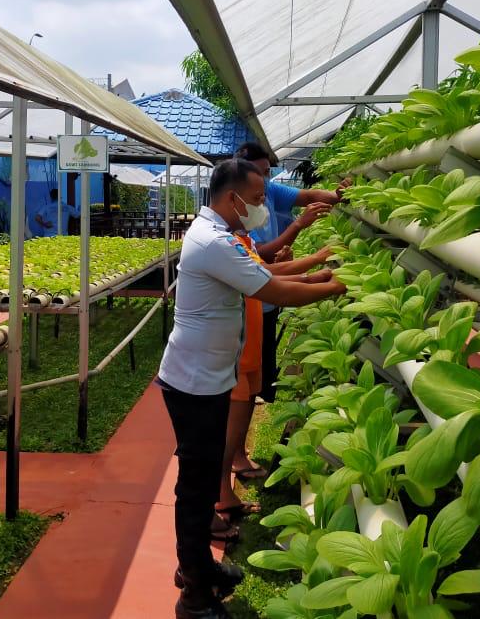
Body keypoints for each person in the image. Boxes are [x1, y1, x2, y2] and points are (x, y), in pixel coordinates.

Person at [158, 158, 345, 619]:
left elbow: (264, 277)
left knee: (200, 482)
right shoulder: (214, 241)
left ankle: (197, 567)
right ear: (231, 199)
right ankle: (195, 596)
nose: (262, 208)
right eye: (258, 200)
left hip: (206, 376)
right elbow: (271, 292)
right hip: (195, 382)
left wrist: (316, 277)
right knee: (197, 486)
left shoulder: (221, 236)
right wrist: (336, 287)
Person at [217, 234, 332, 523]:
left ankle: (234, 466)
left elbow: (264, 271)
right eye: (256, 198)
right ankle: (221, 494)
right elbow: (270, 284)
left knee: (243, 409)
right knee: (228, 425)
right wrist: (318, 272)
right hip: (234, 349)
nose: (261, 206)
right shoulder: (223, 243)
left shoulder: (244, 240)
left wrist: (309, 273)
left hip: (248, 344)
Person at [233, 141, 350, 407]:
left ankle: (247, 423)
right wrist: (321, 274)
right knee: (243, 380)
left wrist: (335, 195)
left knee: (257, 371)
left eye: (266, 172)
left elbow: (308, 196)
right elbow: (262, 266)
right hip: (250, 306)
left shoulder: (269, 190)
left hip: (263, 302)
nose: (264, 180)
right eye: (258, 173)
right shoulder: (225, 237)